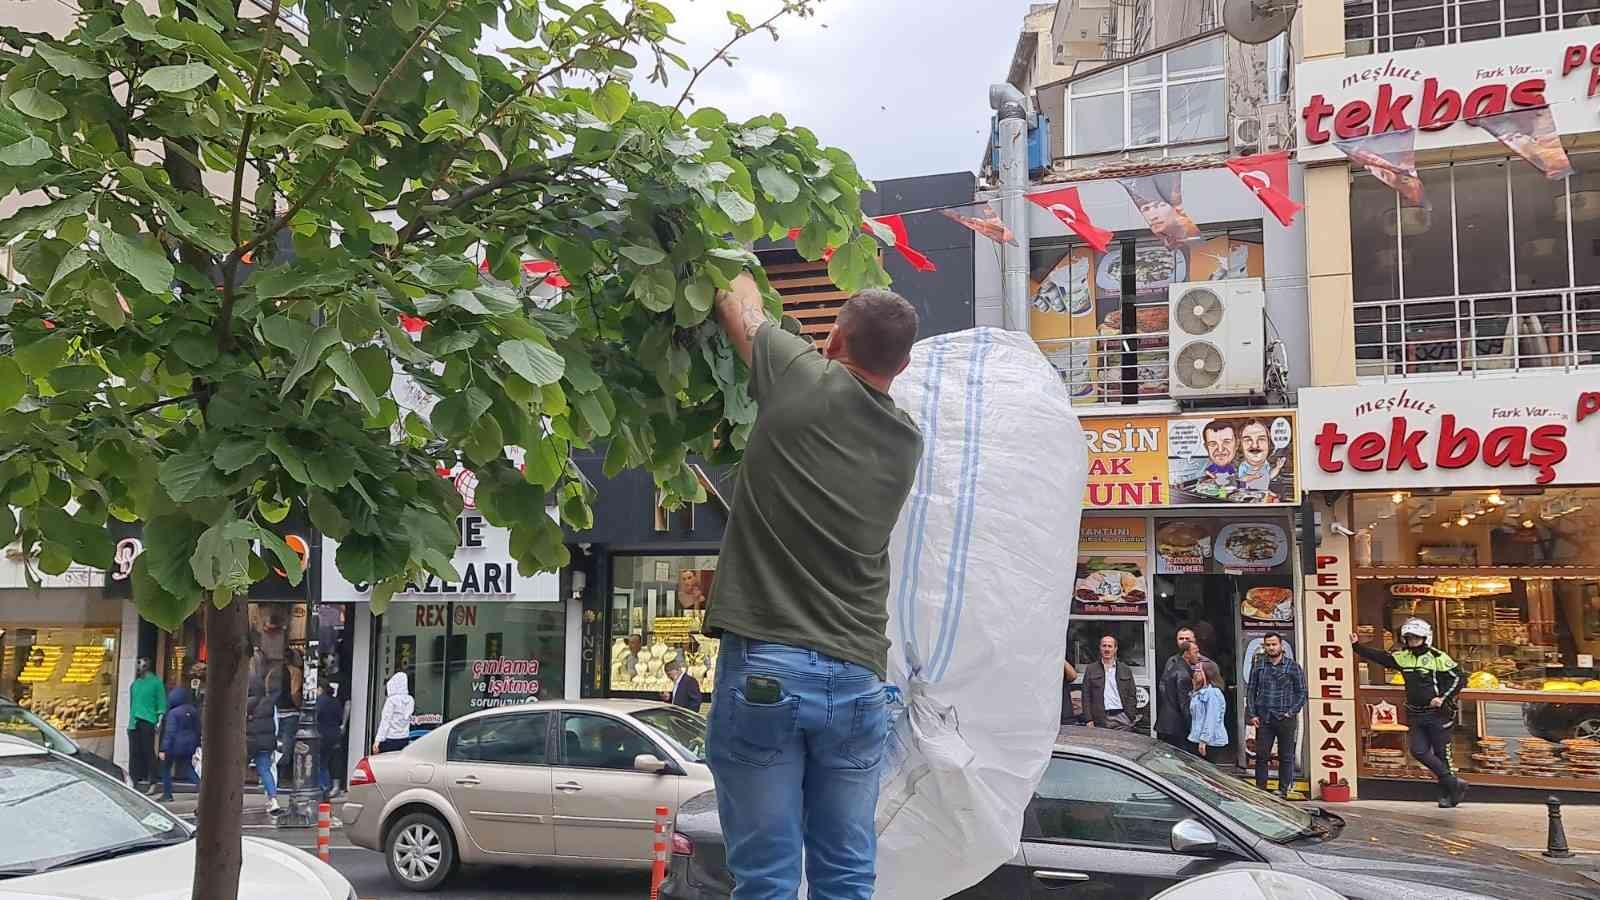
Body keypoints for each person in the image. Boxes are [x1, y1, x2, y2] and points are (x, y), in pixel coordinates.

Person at [701, 272, 922, 900]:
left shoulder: (802, 379)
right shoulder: (907, 440)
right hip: (857, 679)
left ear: (831, 341)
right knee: (847, 873)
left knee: (767, 876)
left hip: (766, 665)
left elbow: (734, 301)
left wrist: (722, 225)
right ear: (902, 365)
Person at [1352, 620, 1468, 807]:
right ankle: (1454, 783)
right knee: (1418, 751)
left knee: (1442, 754)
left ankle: (1448, 794)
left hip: (1438, 714)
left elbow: (1459, 678)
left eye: (1415, 637)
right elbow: (1381, 657)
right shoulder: (1403, 657)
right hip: (1415, 713)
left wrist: (1443, 698)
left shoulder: (1437, 657)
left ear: (1425, 637)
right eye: (1408, 638)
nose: (1412, 641)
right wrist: (1357, 646)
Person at [1247, 632, 1306, 798]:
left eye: (1274, 644)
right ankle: (1260, 790)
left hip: (1285, 717)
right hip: (1264, 717)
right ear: (1264, 647)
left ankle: (1284, 789)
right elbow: (1251, 690)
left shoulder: (1292, 666)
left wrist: (1291, 712)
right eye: (1268, 645)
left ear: (1281, 646)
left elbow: (1302, 692)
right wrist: (1252, 714)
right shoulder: (1259, 664)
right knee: (1261, 755)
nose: (1271, 648)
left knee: (1286, 756)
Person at [1157, 627, 1208, 751]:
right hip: (1177, 724)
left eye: (1187, 639)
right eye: (1181, 638)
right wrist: (1193, 726)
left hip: (1173, 722)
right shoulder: (1178, 668)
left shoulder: (1203, 662)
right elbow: (1183, 702)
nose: (1184, 641)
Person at [1082, 635, 1141, 732]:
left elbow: (1132, 695)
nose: (1107, 649)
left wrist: (1130, 715)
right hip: (1100, 719)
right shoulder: (1091, 669)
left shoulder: (1125, 669)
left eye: (1110, 646)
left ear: (1115, 649)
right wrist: (1088, 719)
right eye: (1104, 646)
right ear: (1100, 648)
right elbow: (1086, 696)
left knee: (1122, 746)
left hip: (1122, 717)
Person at [247, 663, 283, 815]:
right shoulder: (270, 704)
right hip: (266, 742)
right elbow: (276, 722)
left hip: (248, 741)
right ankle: (273, 799)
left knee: (234, 769)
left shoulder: (245, 703)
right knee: (265, 769)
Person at [127, 658, 166, 793]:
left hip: (148, 720)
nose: (138, 667)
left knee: (148, 751)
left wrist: (159, 720)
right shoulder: (135, 684)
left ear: (146, 666)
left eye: (141, 664)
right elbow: (132, 703)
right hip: (134, 721)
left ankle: (153, 781)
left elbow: (161, 703)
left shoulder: (156, 683)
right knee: (134, 753)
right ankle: (133, 780)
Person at [157, 685, 200, 802]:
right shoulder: (193, 711)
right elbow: (198, 729)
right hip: (189, 746)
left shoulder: (173, 713)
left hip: (174, 746)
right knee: (187, 768)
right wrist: (197, 744)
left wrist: (163, 749)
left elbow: (170, 732)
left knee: (166, 769)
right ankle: (202, 787)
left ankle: (167, 794)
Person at [1188, 661, 1229, 762]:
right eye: (1195, 671)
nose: (1195, 674)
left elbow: (1211, 718)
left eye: (1199, 671)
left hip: (1210, 742)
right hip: (1198, 738)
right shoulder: (1200, 692)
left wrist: (1203, 740)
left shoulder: (1213, 693)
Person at [373, 670, 414, 754]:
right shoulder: (410, 700)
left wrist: (377, 741)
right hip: (404, 738)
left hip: (390, 739)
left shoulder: (391, 700)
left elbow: (385, 721)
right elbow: (408, 718)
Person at [315, 682, 345, 799]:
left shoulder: (320, 701)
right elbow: (340, 718)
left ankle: (323, 787)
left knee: (319, 763)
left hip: (322, 735)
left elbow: (315, 716)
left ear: (320, 689)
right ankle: (327, 787)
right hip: (334, 735)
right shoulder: (336, 701)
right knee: (325, 762)